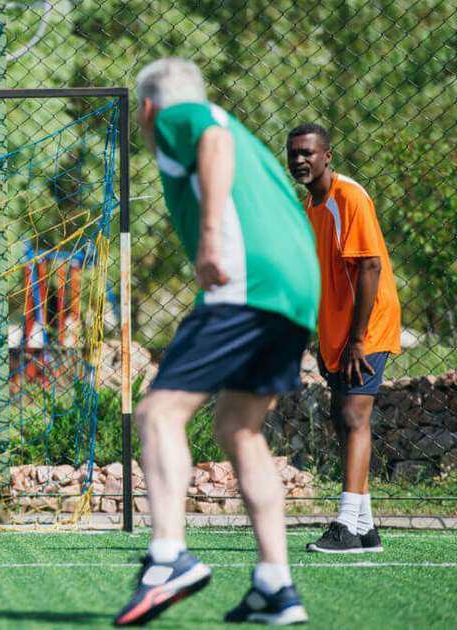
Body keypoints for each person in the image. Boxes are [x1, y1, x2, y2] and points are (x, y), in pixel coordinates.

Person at [113, 58, 319, 626]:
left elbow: (210, 141)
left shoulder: (182, 116)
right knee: (237, 426)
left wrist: (209, 239)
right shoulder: (245, 137)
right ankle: (276, 585)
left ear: (148, 107)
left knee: (157, 413)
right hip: (297, 290)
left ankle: (167, 556)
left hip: (245, 282)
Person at [287, 123, 400, 554]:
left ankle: (345, 526)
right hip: (339, 332)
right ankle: (366, 527)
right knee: (343, 419)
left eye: (308, 153)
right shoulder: (309, 208)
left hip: (366, 327)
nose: (300, 160)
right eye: (294, 153)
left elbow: (369, 267)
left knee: (354, 417)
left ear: (327, 155)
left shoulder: (348, 197)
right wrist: (323, 338)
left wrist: (355, 340)